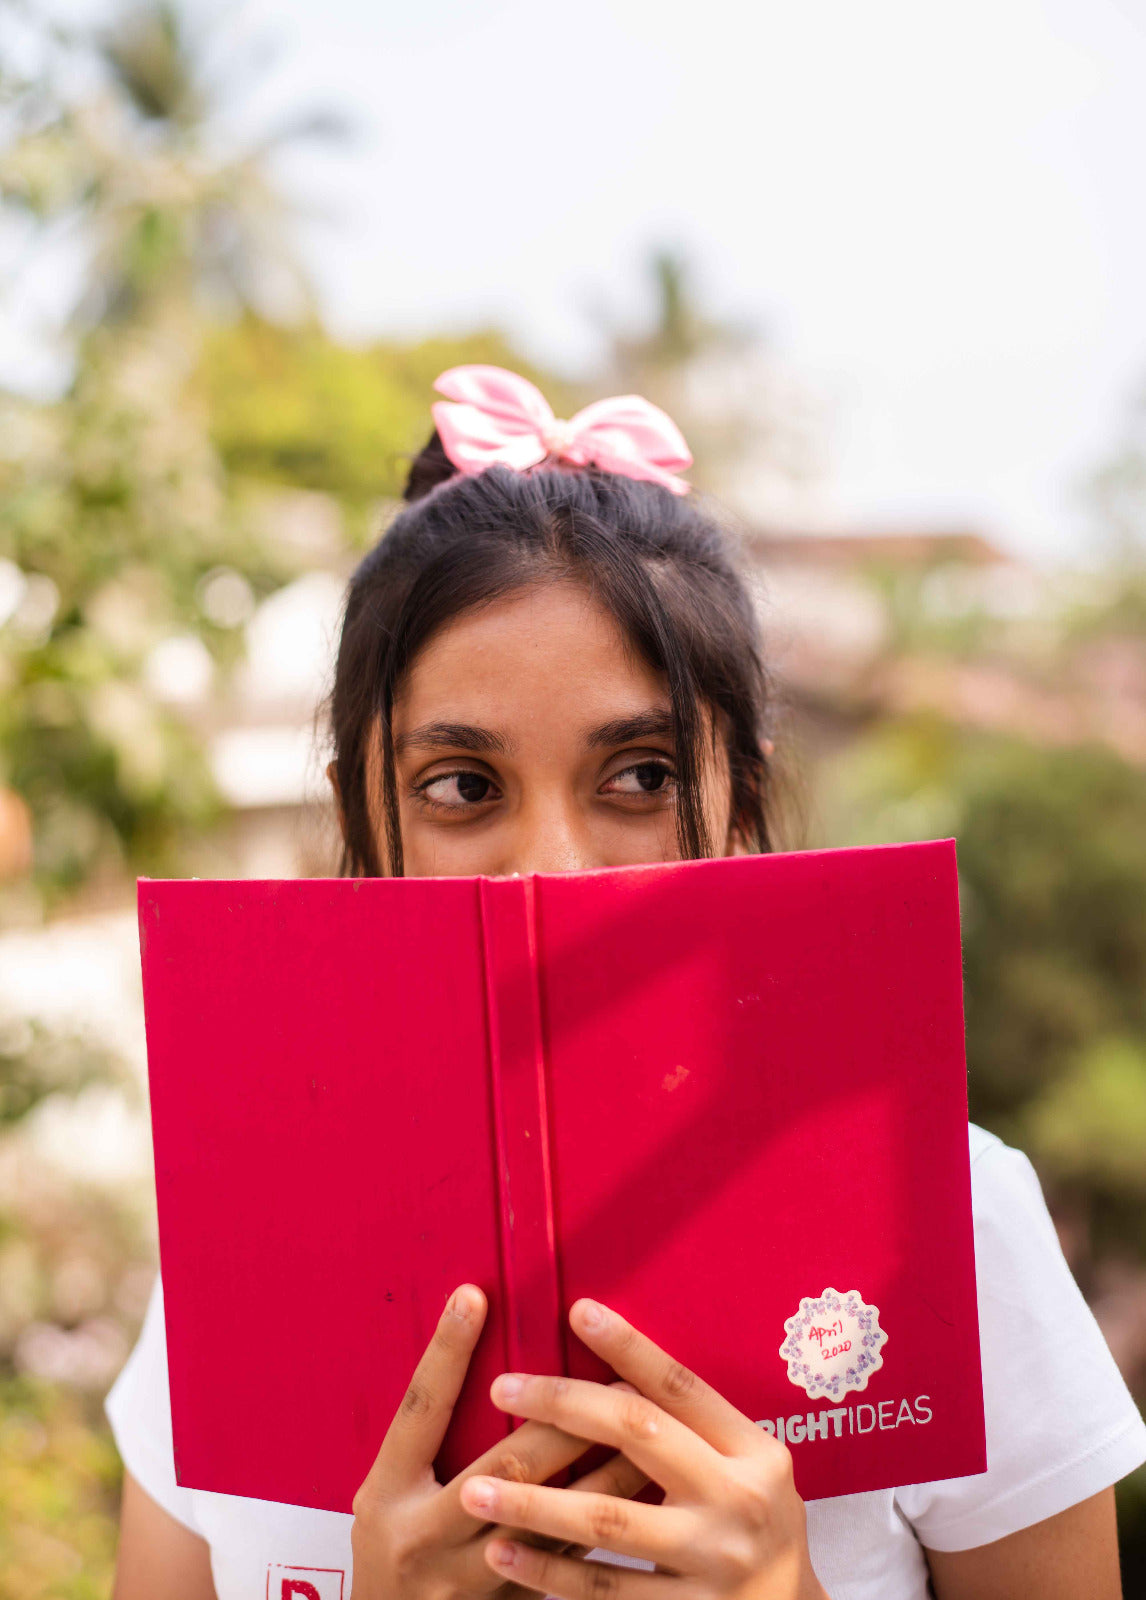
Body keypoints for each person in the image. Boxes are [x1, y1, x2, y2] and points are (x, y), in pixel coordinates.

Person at [106, 367, 1146, 1600]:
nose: (553, 867)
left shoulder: (946, 1220)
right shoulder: (243, 1254)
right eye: (461, 787)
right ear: (362, 817)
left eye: (641, 776)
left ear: (742, 800)